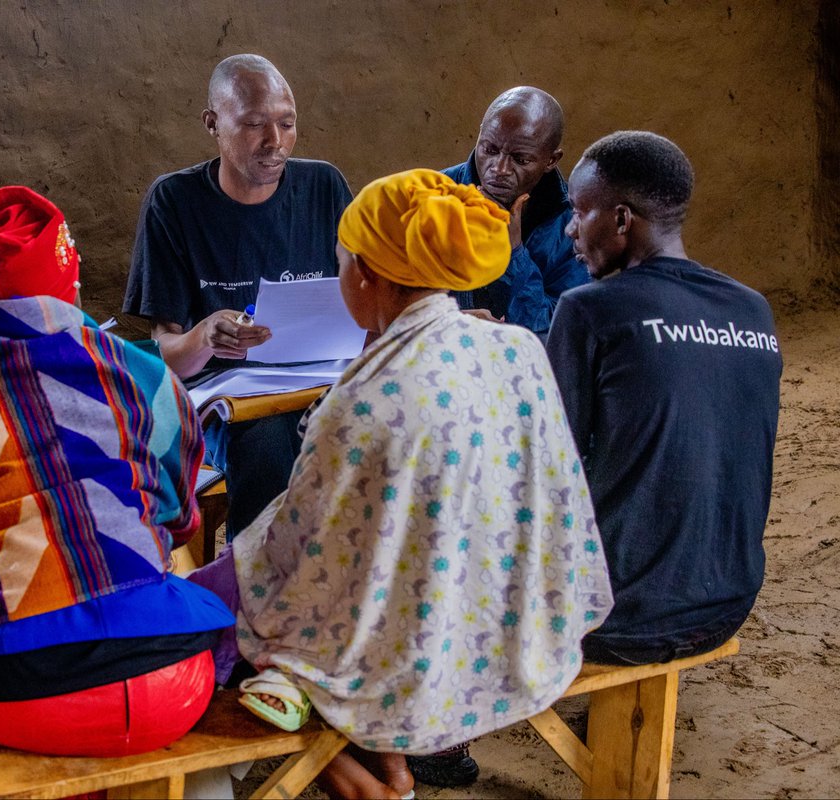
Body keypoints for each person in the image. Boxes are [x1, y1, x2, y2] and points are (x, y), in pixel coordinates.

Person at [190, 170, 613, 799]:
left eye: (341, 263)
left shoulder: (365, 399)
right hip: (506, 611)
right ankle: (388, 774)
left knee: (199, 620)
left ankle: (354, 779)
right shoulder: (518, 349)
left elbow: (298, 558)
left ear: (365, 275)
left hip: (405, 645)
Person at [0, 186, 234, 756]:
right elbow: (179, 518)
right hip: (171, 687)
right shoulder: (142, 373)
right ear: (71, 280)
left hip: (8, 700)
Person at [546, 131, 781, 665]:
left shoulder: (588, 309)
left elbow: (550, 468)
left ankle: (451, 727)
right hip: (727, 604)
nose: (570, 229)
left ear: (621, 220)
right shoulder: (752, 309)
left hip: (615, 620)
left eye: (579, 212)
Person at [122, 53, 353, 539]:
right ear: (212, 123)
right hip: (230, 405)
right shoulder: (174, 203)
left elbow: (364, 303)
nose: (275, 142)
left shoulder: (324, 187)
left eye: (286, 124)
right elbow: (166, 356)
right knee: (267, 445)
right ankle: (257, 575)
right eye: (253, 124)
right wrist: (205, 337)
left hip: (320, 387)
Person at [442, 86, 588, 337]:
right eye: (489, 150)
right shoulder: (434, 195)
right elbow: (390, 309)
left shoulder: (573, 224)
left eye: (520, 160)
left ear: (551, 160)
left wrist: (514, 252)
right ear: (480, 135)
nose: (499, 169)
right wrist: (452, 323)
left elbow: (563, 330)